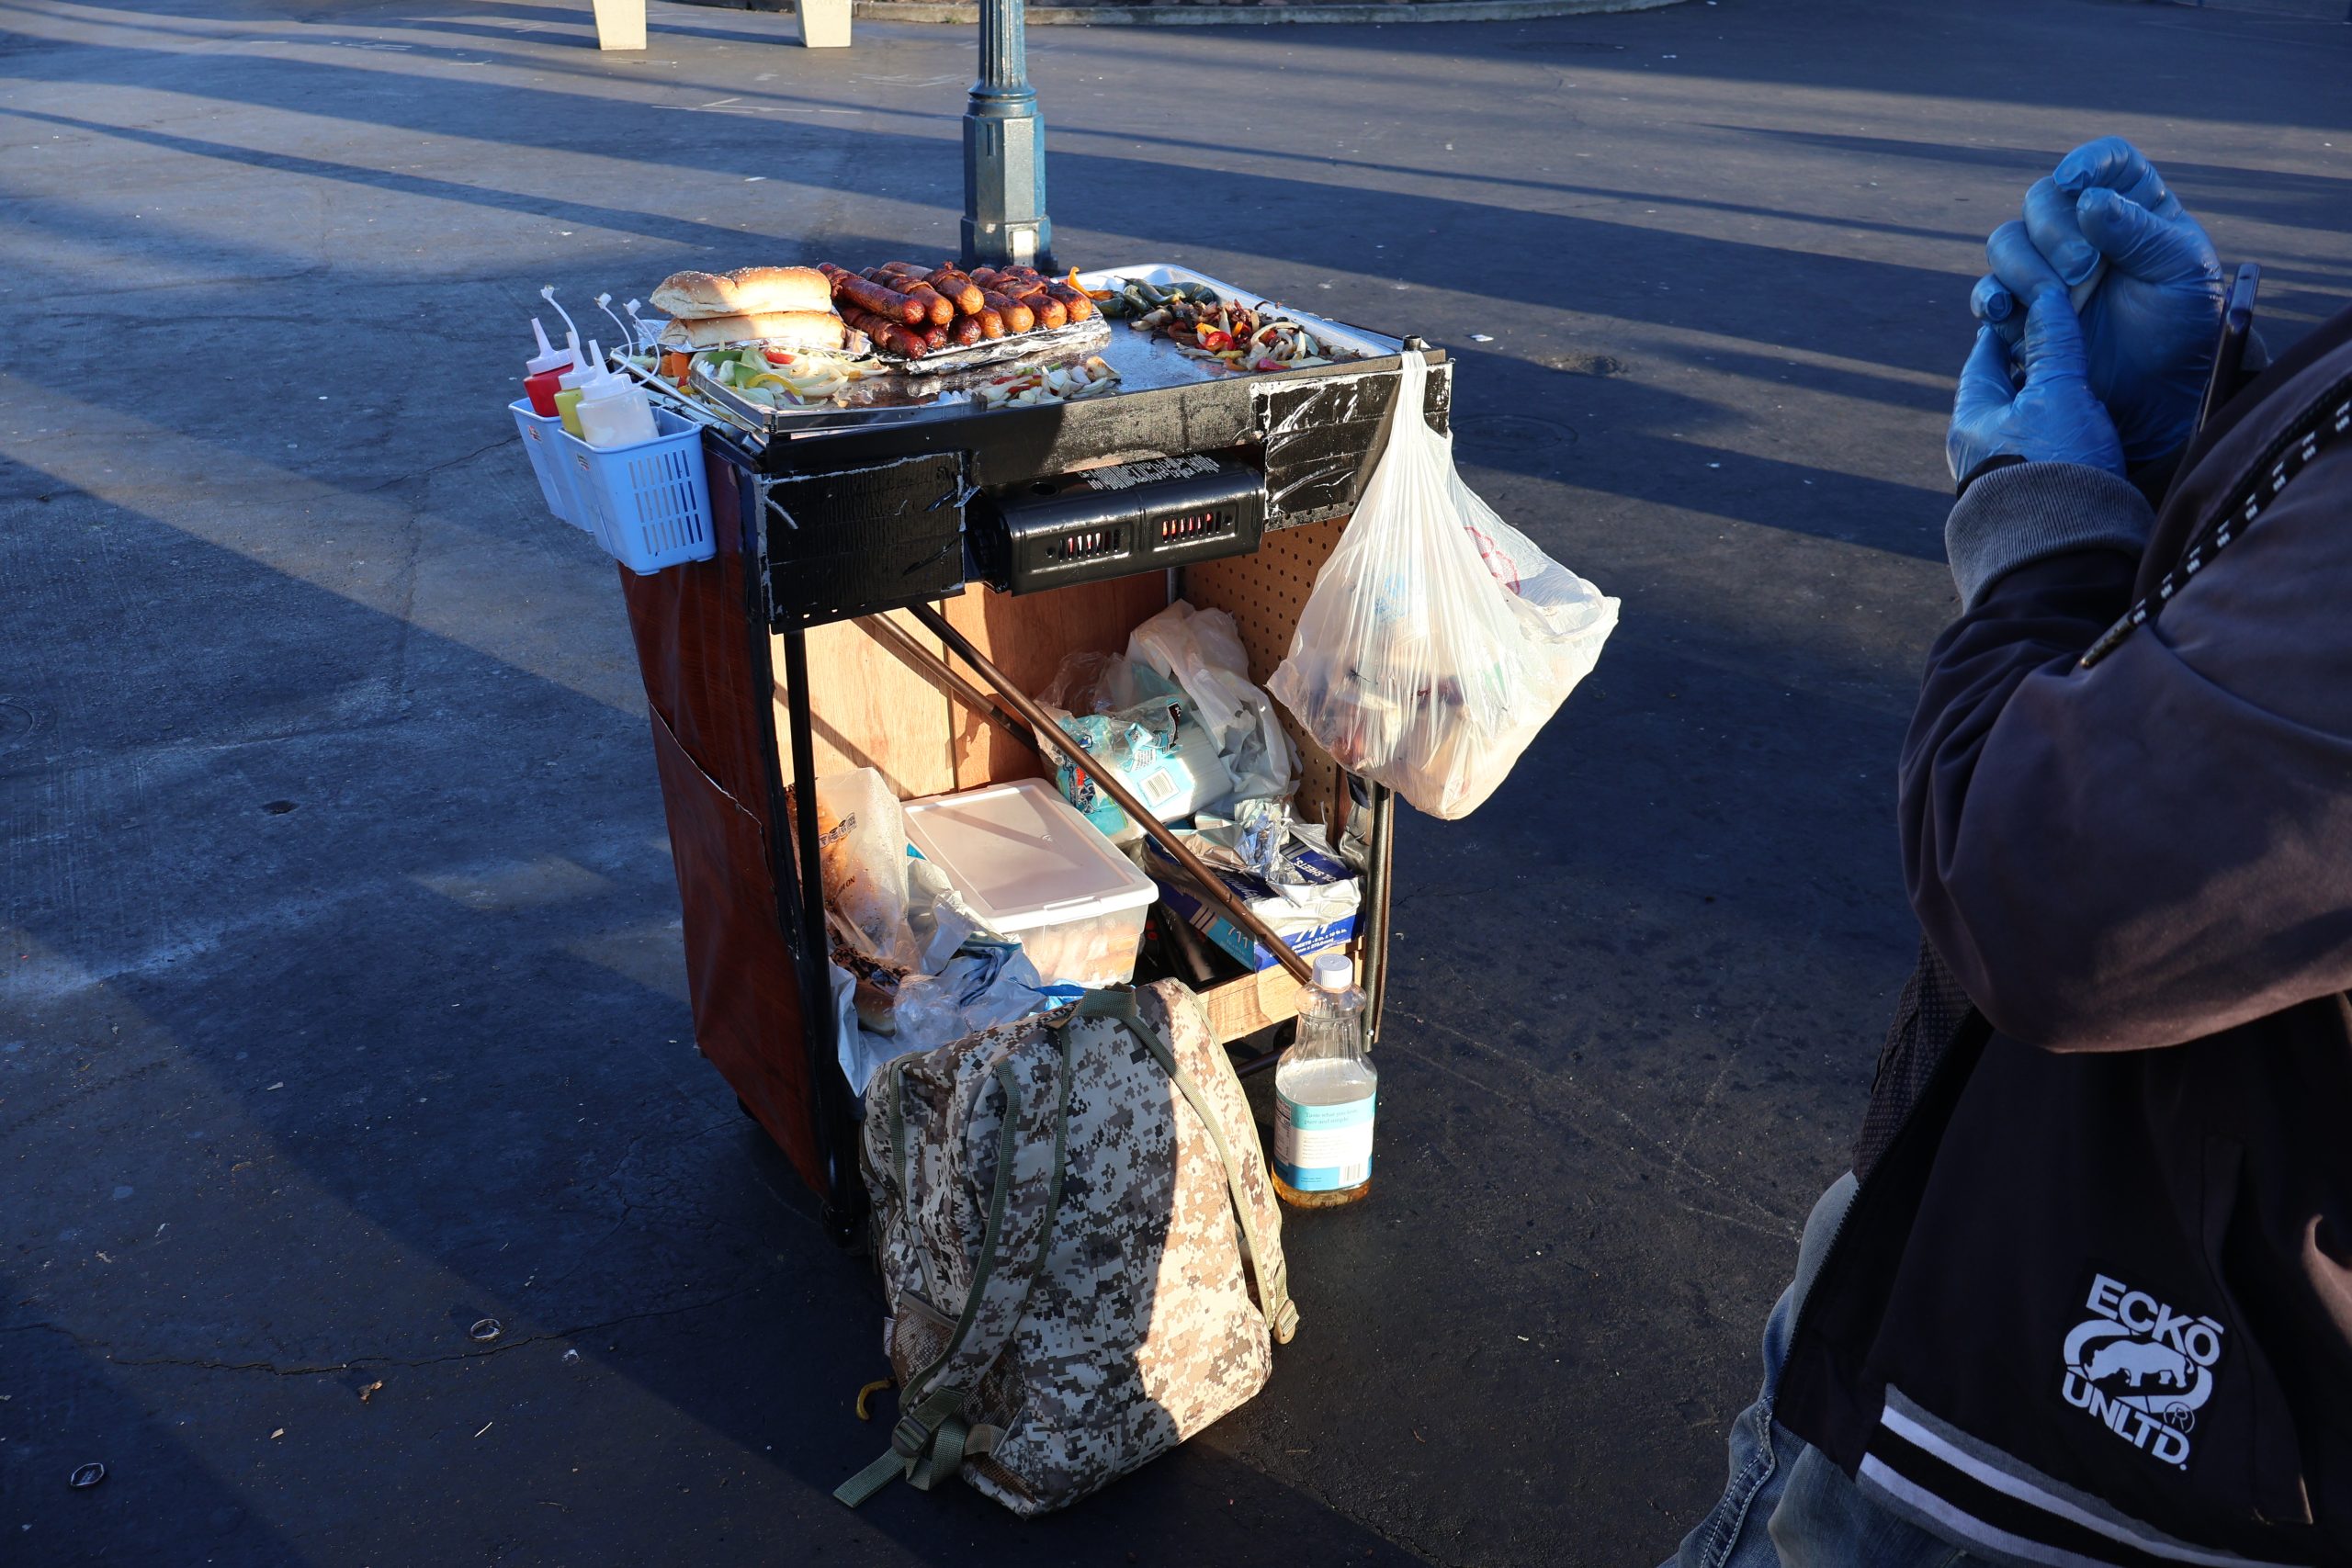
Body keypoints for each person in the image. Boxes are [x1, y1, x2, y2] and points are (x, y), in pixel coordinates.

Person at [1663, 136, 2352, 1568]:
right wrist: (2204, 428)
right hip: (2040, 1257)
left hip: (2105, 1405)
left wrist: (2041, 534)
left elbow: (2044, 892)